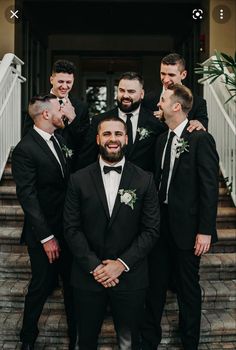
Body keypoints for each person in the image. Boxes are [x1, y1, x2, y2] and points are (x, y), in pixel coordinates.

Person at [63, 116, 160, 350]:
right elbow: (71, 228)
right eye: (107, 134)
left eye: (118, 134)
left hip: (131, 278)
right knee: (84, 341)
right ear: (98, 139)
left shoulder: (144, 180)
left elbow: (151, 230)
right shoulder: (78, 179)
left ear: (126, 139)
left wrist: (122, 263)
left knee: (129, 343)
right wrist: (96, 267)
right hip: (87, 277)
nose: (112, 139)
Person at [141, 84, 219, 350]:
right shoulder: (162, 139)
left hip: (188, 229)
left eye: (162, 100)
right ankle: (149, 341)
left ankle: (189, 343)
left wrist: (205, 230)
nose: (158, 104)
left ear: (176, 106)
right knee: (155, 286)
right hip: (160, 226)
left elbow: (209, 187)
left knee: (188, 289)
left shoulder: (200, 138)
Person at [12, 94, 77, 350]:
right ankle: (28, 339)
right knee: (40, 286)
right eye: (60, 107)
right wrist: (47, 237)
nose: (64, 111)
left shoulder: (58, 140)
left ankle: (77, 338)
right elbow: (28, 198)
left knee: (72, 287)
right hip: (44, 234)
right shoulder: (25, 149)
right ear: (46, 114)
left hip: (67, 229)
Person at [77, 71, 166, 172]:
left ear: (142, 94)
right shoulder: (99, 120)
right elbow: (86, 159)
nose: (125, 96)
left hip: (143, 184)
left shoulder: (155, 122)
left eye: (131, 92)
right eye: (121, 90)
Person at [23, 59, 90, 170]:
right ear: (51, 80)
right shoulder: (38, 102)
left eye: (68, 82)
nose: (64, 86)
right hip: (42, 165)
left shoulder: (81, 107)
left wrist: (72, 120)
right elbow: (27, 134)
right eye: (60, 82)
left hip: (72, 168)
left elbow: (85, 142)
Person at [142, 53, 209, 130]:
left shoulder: (198, 103)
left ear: (183, 75)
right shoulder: (148, 99)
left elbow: (201, 131)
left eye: (171, 75)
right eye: (163, 74)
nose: (166, 80)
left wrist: (198, 124)